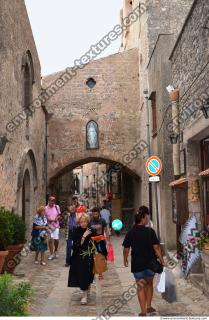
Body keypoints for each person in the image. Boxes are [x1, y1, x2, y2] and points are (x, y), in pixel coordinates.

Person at [122, 206, 165, 316]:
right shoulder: (150, 232)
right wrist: (162, 260)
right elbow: (156, 248)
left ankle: (143, 311)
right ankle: (149, 306)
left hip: (137, 265)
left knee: (140, 286)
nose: (147, 219)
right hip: (151, 264)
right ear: (142, 219)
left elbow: (126, 249)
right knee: (149, 284)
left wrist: (125, 259)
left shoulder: (130, 232)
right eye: (146, 217)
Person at [68, 213, 96, 305]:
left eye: (85, 221)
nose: (83, 223)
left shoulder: (92, 230)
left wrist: (98, 241)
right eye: (81, 222)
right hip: (79, 256)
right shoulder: (76, 231)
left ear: (88, 222)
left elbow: (96, 242)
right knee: (82, 274)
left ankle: (86, 290)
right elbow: (76, 246)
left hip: (89, 256)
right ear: (79, 222)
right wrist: (84, 236)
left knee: (89, 274)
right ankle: (84, 295)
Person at [90, 207, 108, 280]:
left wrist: (108, 240)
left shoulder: (102, 220)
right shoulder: (90, 221)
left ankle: (101, 271)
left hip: (101, 241)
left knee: (102, 256)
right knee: (96, 257)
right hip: (93, 241)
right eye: (94, 214)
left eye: (96, 213)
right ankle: (98, 273)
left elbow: (106, 230)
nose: (95, 215)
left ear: (99, 213)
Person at [45, 195, 61, 260]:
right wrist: (49, 220)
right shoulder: (45, 208)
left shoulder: (57, 207)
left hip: (56, 226)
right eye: (51, 201)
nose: (53, 202)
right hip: (49, 226)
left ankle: (56, 250)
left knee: (56, 239)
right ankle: (51, 254)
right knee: (50, 240)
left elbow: (59, 215)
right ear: (48, 201)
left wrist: (56, 218)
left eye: (54, 201)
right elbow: (44, 216)